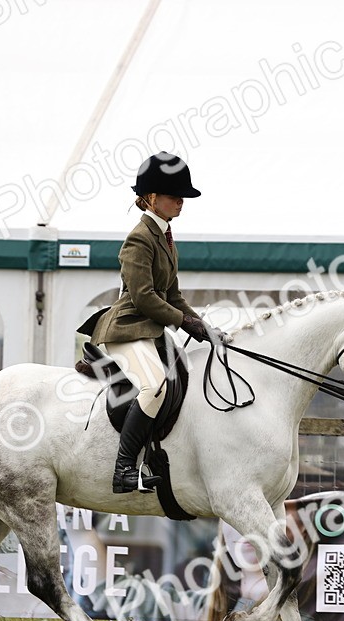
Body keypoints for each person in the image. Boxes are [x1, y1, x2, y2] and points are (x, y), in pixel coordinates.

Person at [88, 152, 223, 494]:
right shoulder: (139, 238)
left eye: (182, 196)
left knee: (185, 377)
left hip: (152, 329)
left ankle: (156, 456)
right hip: (127, 327)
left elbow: (173, 295)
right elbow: (145, 297)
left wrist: (202, 326)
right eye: (173, 195)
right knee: (155, 387)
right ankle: (123, 469)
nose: (180, 201)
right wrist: (183, 322)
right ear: (151, 197)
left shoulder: (165, 236)